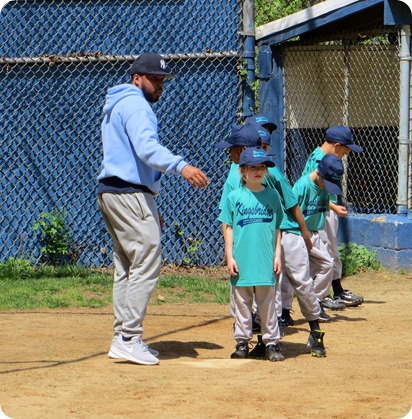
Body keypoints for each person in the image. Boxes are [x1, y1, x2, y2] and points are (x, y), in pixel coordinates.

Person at [97, 52, 209, 365]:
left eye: (162, 80)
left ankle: (122, 336)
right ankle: (129, 338)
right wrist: (181, 166)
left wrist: (149, 200)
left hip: (117, 192)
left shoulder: (118, 103)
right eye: (154, 79)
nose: (160, 85)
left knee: (128, 265)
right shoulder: (136, 105)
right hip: (128, 192)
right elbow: (147, 150)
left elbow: (131, 156)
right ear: (137, 78)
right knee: (147, 258)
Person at [218, 147, 284, 361]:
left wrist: (277, 255)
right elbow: (227, 226)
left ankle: (271, 342)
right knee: (242, 304)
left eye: (262, 167)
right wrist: (229, 256)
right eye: (253, 167)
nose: (258, 171)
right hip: (242, 260)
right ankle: (242, 342)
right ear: (242, 170)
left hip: (265, 260)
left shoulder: (272, 195)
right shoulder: (235, 196)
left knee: (267, 304)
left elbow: (277, 228)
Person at [302, 126, 364, 308]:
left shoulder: (318, 154)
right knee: (327, 252)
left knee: (330, 251)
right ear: (336, 145)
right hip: (322, 210)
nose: (346, 153)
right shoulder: (320, 160)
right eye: (345, 149)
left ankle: (334, 290)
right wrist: (334, 207)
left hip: (326, 208)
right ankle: (328, 294)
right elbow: (311, 189)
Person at [291, 153, 345, 324]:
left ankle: (316, 301)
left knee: (327, 264)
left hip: (313, 234)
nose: (328, 188)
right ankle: (283, 311)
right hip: (297, 233)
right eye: (327, 183)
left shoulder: (323, 188)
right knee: (290, 276)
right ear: (319, 173)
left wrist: (335, 208)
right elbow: (291, 209)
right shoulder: (302, 186)